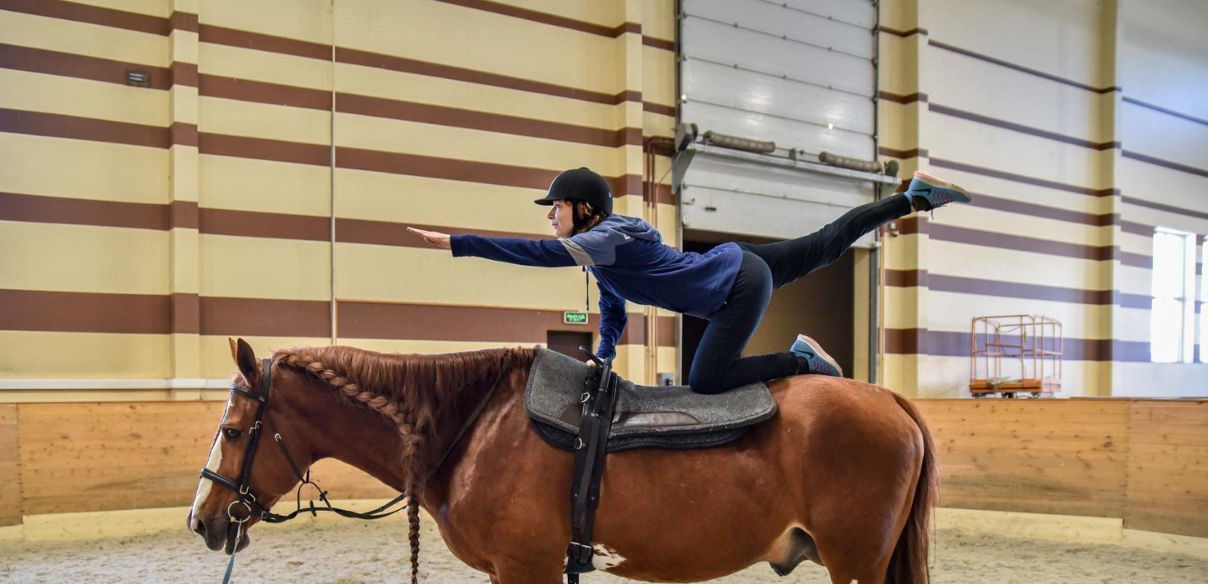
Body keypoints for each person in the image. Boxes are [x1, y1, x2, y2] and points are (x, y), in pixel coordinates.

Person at [408, 167, 970, 394]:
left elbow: (540, 256)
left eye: (554, 208)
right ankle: (912, 197)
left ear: (582, 208)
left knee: (708, 380)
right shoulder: (603, 257)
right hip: (736, 266)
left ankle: (800, 360)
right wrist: (603, 360)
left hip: (736, 287)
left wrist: (459, 244)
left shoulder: (609, 235)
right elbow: (613, 312)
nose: (549, 217)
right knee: (825, 246)